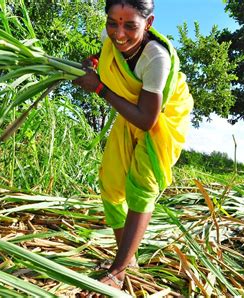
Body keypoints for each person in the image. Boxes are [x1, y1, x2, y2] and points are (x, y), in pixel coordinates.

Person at [73, 0, 194, 289]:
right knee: (112, 182)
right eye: (112, 22)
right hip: (131, 113)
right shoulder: (110, 38)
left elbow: (147, 120)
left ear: (148, 23)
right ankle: (128, 260)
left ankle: (117, 270)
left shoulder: (155, 58)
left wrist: (100, 88)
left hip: (161, 119)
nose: (119, 34)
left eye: (130, 25)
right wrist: (92, 62)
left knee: (141, 187)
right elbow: (104, 54)